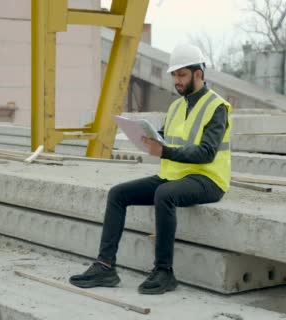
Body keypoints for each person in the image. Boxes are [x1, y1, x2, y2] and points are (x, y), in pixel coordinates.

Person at [69, 44, 232, 295]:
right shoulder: (177, 106)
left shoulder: (216, 107)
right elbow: (168, 139)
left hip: (208, 179)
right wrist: (148, 138)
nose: (176, 81)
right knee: (117, 194)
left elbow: (207, 152)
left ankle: (164, 272)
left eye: (182, 75)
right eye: (174, 76)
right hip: (174, 175)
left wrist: (164, 151)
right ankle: (105, 267)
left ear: (198, 74)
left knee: (164, 194)